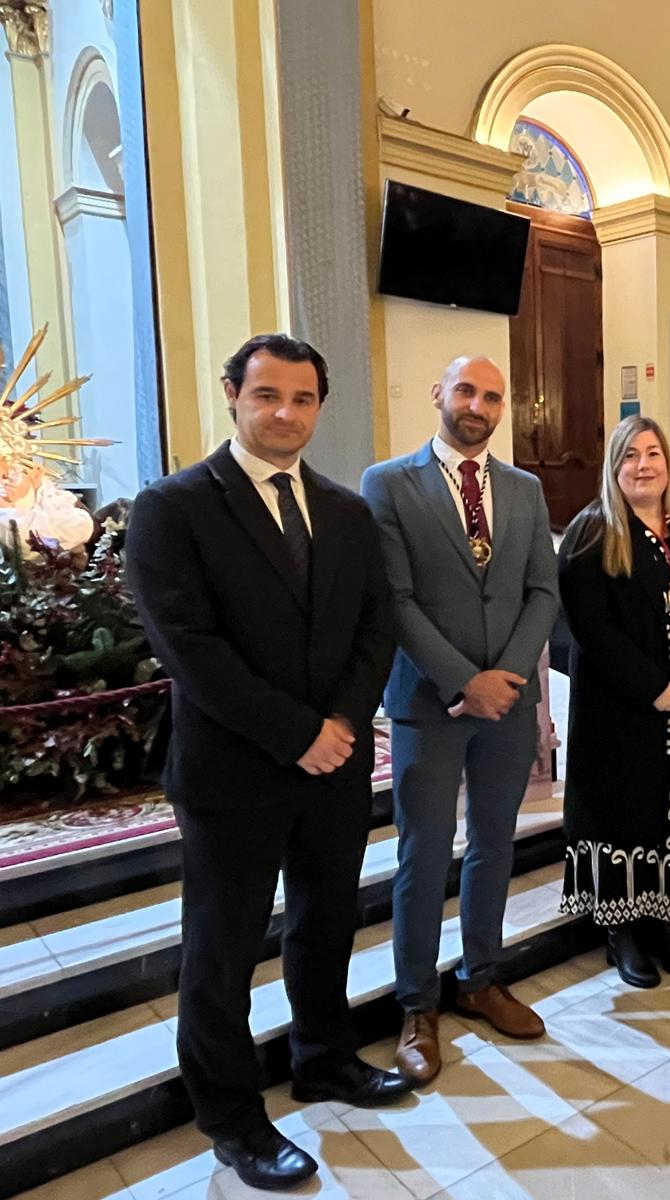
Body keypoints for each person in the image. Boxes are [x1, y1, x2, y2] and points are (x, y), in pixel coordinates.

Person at [124, 335, 409, 1190]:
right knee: (222, 951)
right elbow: (191, 650)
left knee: (326, 923)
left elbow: (377, 626)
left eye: (303, 398)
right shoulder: (173, 506)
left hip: (334, 763)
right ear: (232, 394)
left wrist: (342, 723)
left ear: (320, 405)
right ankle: (233, 1117)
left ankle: (324, 1058)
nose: (286, 413)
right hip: (234, 770)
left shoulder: (346, 510)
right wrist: (297, 734)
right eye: (267, 395)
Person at [360, 356, 559, 1086]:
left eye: (492, 396)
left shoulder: (525, 489)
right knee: (424, 852)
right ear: (439, 394)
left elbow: (543, 591)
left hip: (508, 703)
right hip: (428, 703)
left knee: (494, 844)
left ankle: (481, 978)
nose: (478, 405)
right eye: (466, 391)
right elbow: (395, 599)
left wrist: (504, 680)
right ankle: (417, 1004)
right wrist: (463, 681)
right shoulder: (388, 483)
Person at [558, 416, 670, 986]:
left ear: (668, 464)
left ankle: (666, 920)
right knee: (624, 813)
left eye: (653, 453)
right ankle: (622, 930)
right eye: (630, 455)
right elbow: (591, 627)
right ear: (614, 467)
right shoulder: (592, 534)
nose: (643, 465)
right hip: (622, 711)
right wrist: (654, 689)